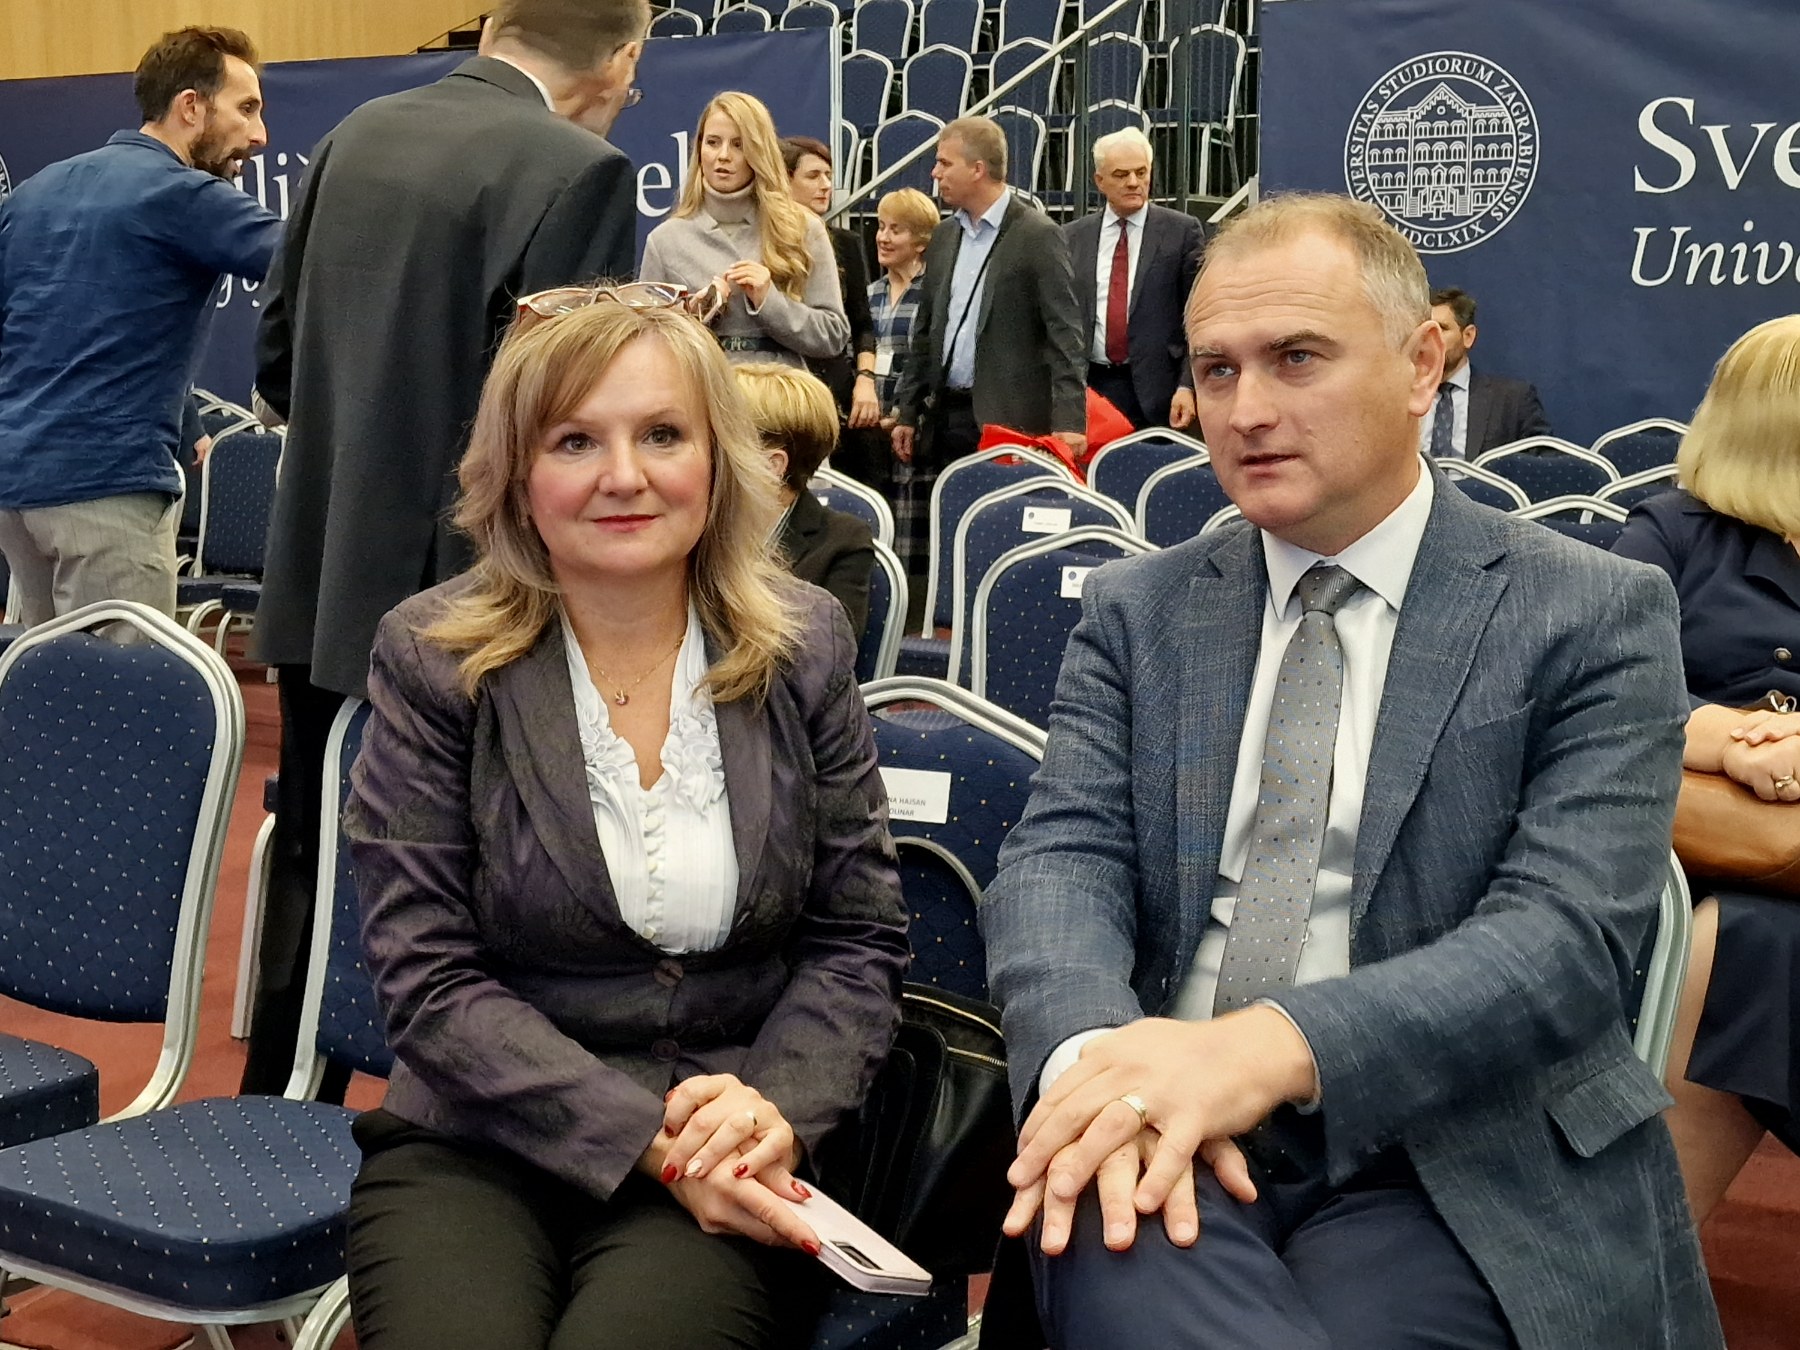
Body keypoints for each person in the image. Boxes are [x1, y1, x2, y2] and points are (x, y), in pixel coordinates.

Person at [980, 193, 1722, 1349]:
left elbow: (1565, 941)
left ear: (1422, 363)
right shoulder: (1140, 611)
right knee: (1122, 1241)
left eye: (1296, 359)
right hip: (1157, 1115)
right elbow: (1059, 863)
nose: (1246, 410)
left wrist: (1265, 1048)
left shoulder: (1590, 609)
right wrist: (1094, 1064)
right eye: (1216, 370)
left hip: (1454, 1153)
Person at [343, 296, 909, 1348]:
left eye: (661, 434)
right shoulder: (431, 656)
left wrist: (773, 1112)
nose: (624, 476)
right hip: (482, 1132)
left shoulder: (805, 644)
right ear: (517, 473)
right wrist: (650, 1142)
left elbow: (857, 939)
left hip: (732, 1131)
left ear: (719, 458)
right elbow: (427, 978)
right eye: (574, 441)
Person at [245, 0, 648, 1097]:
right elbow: (562, 429)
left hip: (320, 577)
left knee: (314, 843)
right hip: (477, 602)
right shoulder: (582, 172)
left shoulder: (351, 137)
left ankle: (278, 1086)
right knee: (478, 882)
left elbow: (276, 363)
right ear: (622, 59)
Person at [1611, 314, 1800, 1225]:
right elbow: (1594, 682)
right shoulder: (1674, 533)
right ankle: (1652, 1255)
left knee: (1745, 946)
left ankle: (1646, 1259)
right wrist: (1724, 737)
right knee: (1743, 944)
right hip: (1701, 854)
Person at [0, 26, 277, 624]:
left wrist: (185, 418)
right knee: (122, 683)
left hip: (15, 494)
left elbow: (89, 324)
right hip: (107, 490)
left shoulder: (33, 194)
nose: (259, 135)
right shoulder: (185, 194)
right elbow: (310, 263)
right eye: (247, 108)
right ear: (190, 107)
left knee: (44, 677)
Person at [890, 117, 1085, 478]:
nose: (935, 173)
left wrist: (1070, 420)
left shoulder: (1038, 235)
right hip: (944, 419)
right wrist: (908, 411)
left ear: (977, 169)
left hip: (1011, 423)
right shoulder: (944, 236)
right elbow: (926, 331)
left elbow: (1065, 334)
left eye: (945, 163)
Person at [640, 94, 847, 369]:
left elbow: (833, 335)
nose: (723, 156)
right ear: (699, 149)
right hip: (703, 387)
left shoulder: (803, 228)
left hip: (778, 389)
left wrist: (769, 300)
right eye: (713, 142)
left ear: (759, 151)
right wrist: (690, 316)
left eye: (738, 145)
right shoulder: (665, 240)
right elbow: (645, 345)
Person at [1063, 127, 1205, 431]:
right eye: (1121, 174)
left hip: (1160, 394)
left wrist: (1187, 385)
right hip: (1090, 391)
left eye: (1141, 173)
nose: (1133, 182)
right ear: (1099, 180)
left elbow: (1199, 317)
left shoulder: (1181, 233)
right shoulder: (1073, 237)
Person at [734, 361, 874, 639]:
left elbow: (826, 651)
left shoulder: (843, 542)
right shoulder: (695, 527)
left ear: (771, 465)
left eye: (722, 442)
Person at [779, 135, 884, 489]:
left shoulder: (847, 244)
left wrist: (866, 382)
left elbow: (862, 324)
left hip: (839, 387)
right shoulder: (763, 243)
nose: (826, 185)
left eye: (829, 176)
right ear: (784, 180)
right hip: (788, 387)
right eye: (813, 176)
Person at [866, 187, 937, 580]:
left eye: (896, 230)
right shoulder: (870, 295)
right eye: (881, 227)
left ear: (922, 242)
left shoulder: (933, 294)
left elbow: (928, 364)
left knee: (913, 538)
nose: (883, 237)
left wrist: (905, 414)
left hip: (913, 430)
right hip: (870, 431)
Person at [1421, 286, 1552, 458]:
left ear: (1468, 336)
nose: (1431, 339)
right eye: (1426, 330)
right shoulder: (1400, 397)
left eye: (1441, 329)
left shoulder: (1512, 400)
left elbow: (1544, 464)